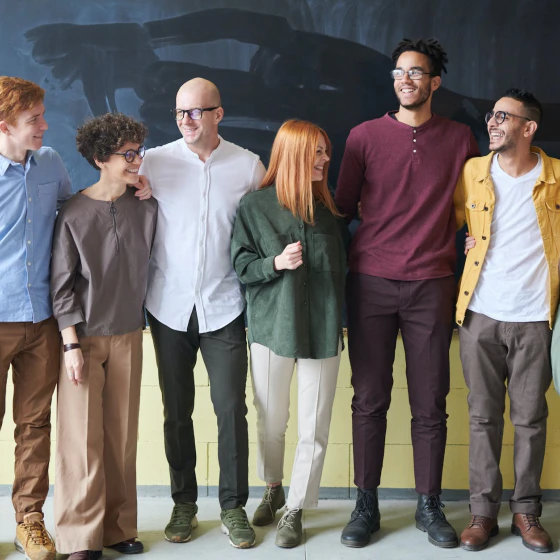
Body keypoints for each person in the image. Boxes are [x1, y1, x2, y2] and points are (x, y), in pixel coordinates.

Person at [335, 38, 480, 549]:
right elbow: (342, 209)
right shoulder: (363, 136)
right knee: (369, 399)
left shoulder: (462, 138)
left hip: (433, 283)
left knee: (430, 401)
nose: (406, 79)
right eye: (400, 72)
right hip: (371, 281)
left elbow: (476, 206)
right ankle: (365, 502)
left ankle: (428, 503)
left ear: (435, 81)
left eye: (417, 72)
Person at [140, 77, 266, 549]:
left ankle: (233, 507)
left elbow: (270, 219)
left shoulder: (248, 165)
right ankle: (184, 503)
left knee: (232, 408)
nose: (187, 121)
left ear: (218, 114)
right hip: (168, 306)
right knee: (177, 410)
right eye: (179, 113)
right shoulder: (153, 161)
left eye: (196, 112)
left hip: (225, 304)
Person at [231, 119, 347, 548]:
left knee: (314, 425)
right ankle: (274, 485)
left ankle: (296, 507)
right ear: (293, 153)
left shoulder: (330, 214)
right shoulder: (254, 207)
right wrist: (275, 264)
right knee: (271, 420)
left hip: (322, 332)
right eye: (316, 151)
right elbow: (242, 266)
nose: (324, 159)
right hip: (271, 328)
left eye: (326, 151)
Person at [50, 113, 157, 560]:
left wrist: (146, 186)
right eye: (127, 154)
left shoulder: (146, 204)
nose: (136, 161)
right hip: (85, 339)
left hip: (130, 333)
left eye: (138, 151)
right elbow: (61, 285)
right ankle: (79, 538)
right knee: (81, 440)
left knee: (120, 437)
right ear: (100, 158)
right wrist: (71, 344)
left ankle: (117, 528)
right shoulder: (73, 212)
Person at [455, 89, 556, 554]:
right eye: (491, 115)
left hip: (536, 317)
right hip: (480, 315)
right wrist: (466, 243)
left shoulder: (555, 177)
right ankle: (482, 513)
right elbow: (454, 222)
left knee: (532, 418)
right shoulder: (475, 171)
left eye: (502, 116)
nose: (492, 123)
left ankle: (525, 511)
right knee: (482, 417)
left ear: (528, 127)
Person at [0, 75, 71, 560]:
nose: (44, 126)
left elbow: (73, 214)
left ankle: (31, 522)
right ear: (4, 126)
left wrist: (128, 184)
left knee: (36, 425)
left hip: (42, 319)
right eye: (33, 121)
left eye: (42, 116)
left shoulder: (51, 164)